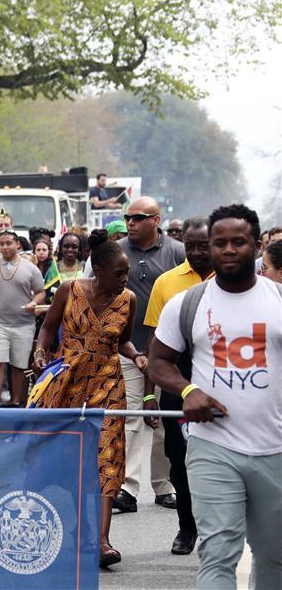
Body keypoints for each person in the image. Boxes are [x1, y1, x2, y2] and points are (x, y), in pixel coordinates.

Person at [149, 204, 281, 590]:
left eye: (237, 242)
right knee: (217, 552)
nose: (227, 250)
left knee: (273, 555)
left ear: (256, 247)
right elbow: (158, 361)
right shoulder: (187, 304)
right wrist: (188, 391)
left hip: (273, 448)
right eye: (218, 242)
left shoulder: (277, 299)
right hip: (213, 448)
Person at [33, 228, 147, 567]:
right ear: (97, 269)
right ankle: (76, 528)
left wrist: (137, 356)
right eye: (120, 273)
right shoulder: (69, 290)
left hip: (109, 386)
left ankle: (101, 542)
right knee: (71, 460)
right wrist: (41, 351)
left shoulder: (129, 301)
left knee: (107, 459)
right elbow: (47, 328)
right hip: (67, 385)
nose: (125, 279)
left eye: (126, 273)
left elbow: (122, 341)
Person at [140, 216, 212, 556]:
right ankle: (187, 528)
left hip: (221, 382)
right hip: (176, 382)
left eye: (204, 245)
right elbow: (153, 345)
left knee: (219, 460)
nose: (198, 252)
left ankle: (217, 528)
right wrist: (148, 395)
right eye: (192, 245)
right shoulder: (166, 284)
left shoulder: (233, 281)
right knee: (179, 461)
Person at [112, 197, 184, 514]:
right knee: (131, 414)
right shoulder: (116, 251)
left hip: (168, 351)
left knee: (163, 419)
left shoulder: (176, 252)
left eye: (138, 217)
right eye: (128, 217)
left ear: (155, 220)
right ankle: (127, 488)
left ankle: (164, 485)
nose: (131, 223)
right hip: (127, 347)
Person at [0, 230, 46, 406]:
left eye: (9, 243)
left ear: (18, 245)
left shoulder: (30, 268)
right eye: (2, 243)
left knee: (19, 365)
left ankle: (15, 401)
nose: (5, 247)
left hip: (23, 324)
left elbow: (41, 293)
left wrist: (34, 302)